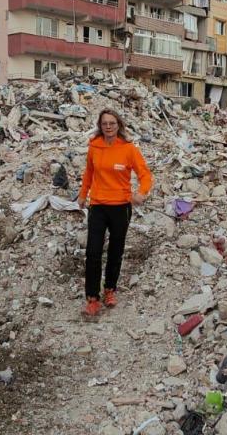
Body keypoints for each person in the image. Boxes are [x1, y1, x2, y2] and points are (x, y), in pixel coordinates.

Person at [77, 109, 153, 318]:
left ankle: (110, 289)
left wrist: (141, 193)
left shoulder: (129, 149)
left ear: (118, 125)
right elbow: (89, 173)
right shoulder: (94, 146)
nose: (108, 127)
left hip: (121, 207)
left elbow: (145, 174)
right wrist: (83, 195)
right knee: (93, 252)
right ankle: (92, 298)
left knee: (115, 251)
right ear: (100, 126)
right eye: (104, 124)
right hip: (98, 206)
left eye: (112, 123)